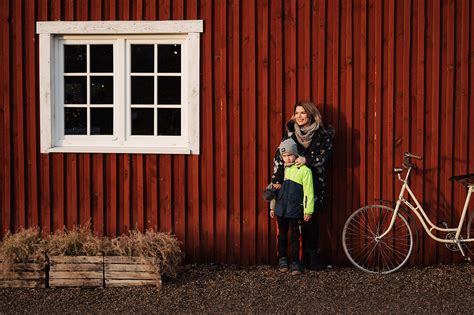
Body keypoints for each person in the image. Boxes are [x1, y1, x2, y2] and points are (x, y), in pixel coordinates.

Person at [271, 101, 335, 270]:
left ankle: (311, 257)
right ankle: (295, 260)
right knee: (293, 222)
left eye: (303, 113)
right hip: (293, 186)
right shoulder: (290, 137)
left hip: (314, 182)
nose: (299, 116)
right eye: (296, 113)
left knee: (311, 218)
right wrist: (276, 184)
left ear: (311, 115)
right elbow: (279, 160)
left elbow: (324, 156)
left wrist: (308, 160)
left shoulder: (322, 135)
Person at [270, 138, 314, 275]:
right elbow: (273, 190)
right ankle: (282, 259)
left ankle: (296, 263)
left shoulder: (304, 170)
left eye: (290, 155)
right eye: (284, 156)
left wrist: (308, 210)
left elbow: (308, 192)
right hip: (280, 210)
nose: (287, 159)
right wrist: (272, 207)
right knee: (281, 236)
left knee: (296, 237)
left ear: (295, 154)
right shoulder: (281, 171)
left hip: (296, 210)